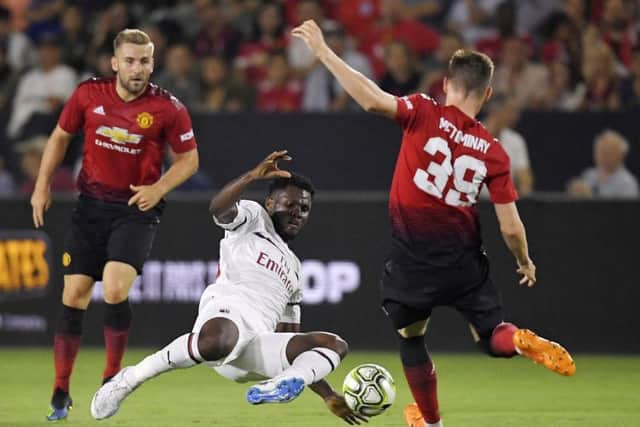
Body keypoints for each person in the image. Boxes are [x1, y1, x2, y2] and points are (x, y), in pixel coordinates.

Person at [292, 20, 576, 427]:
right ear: (487, 94)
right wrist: (524, 261)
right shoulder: (495, 151)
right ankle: (516, 340)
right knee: (491, 334)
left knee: (411, 339)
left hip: (412, 261)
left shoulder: (423, 111)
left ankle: (431, 421)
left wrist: (323, 51)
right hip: (464, 262)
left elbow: (372, 100)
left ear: (447, 84)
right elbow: (510, 227)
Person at [90, 151, 366, 426]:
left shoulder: (295, 268)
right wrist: (252, 176)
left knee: (334, 344)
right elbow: (218, 209)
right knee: (219, 340)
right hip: (227, 316)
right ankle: (130, 379)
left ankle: (279, 386)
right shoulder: (255, 218)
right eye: (290, 204)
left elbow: (289, 339)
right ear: (270, 203)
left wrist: (327, 394)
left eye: (304, 209)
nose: (297, 213)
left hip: (254, 348)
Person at [31, 28, 199, 421]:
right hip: (90, 207)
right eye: (129, 61)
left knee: (115, 286)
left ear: (152, 63)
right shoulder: (88, 95)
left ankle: (111, 379)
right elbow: (59, 137)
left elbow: (189, 159)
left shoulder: (167, 107)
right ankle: (60, 389)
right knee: (73, 295)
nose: (137, 69)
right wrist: (41, 188)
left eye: (144, 61)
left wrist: (159, 188)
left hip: (135, 209)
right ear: (114, 63)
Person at [567, 129, 638, 199]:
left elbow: (626, 210)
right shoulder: (589, 175)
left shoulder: (627, 183)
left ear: (620, 155)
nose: (602, 155)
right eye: (599, 151)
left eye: (607, 151)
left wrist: (590, 199)